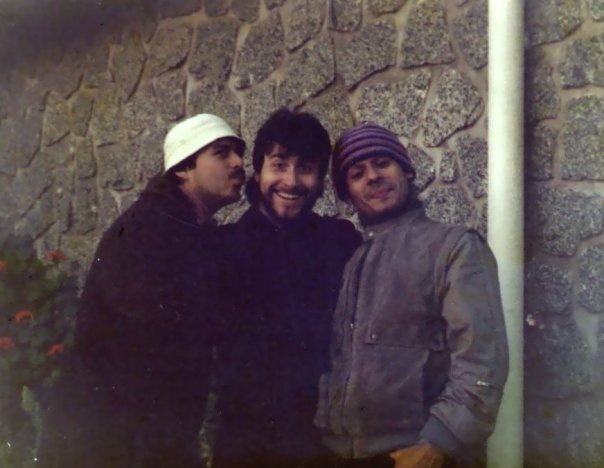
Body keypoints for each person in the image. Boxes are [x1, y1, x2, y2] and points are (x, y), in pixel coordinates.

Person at [38, 114, 246, 468]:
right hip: (107, 442)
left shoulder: (180, 227)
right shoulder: (147, 231)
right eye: (222, 153)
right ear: (183, 169)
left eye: (239, 153)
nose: (238, 163)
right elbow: (149, 353)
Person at [315, 122, 509, 468]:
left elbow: (482, 359)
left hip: (419, 455)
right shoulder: (348, 258)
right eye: (357, 173)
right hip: (342, 454)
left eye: (382, 163)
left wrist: (440, 442)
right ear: (348, 194)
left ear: (406, 170)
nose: (372, 176)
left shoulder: (454, 247)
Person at [212, 108, 361, 468]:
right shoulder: (222, 248)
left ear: (320, 178)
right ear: (259, 170)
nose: (291, 182)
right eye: (279, 165)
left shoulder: (340, 242)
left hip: (324, 443)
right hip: (247, 446)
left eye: (305, 168)